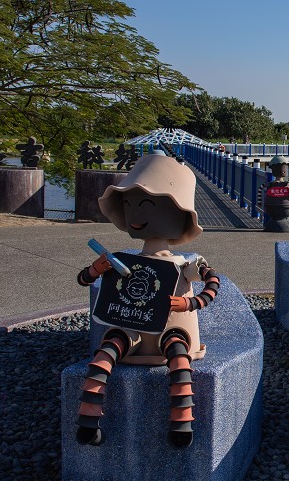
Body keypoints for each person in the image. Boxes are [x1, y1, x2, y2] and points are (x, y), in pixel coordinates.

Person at [75, 152, 221, 448]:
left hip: (172, 330)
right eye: (128, 205)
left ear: (179, 215)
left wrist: (189, 304)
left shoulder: (183, 264)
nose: (135, 215)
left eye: (145, 205)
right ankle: (88, 421)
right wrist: (97, 269)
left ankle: (182, 425)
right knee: (105, 353)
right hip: (129, 326)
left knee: (179, 357)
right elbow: (83, 279)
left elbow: (212, 282)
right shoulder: (122, 262)